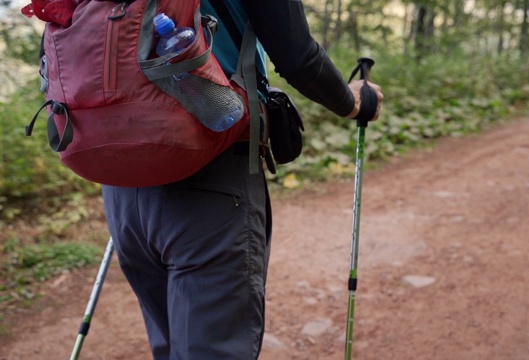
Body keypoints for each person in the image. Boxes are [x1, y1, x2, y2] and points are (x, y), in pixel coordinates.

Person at [101, 0, 384, 359]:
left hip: (119, 182)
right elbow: (297, 56)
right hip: (209, 172)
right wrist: (354, 102)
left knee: (172, 344)